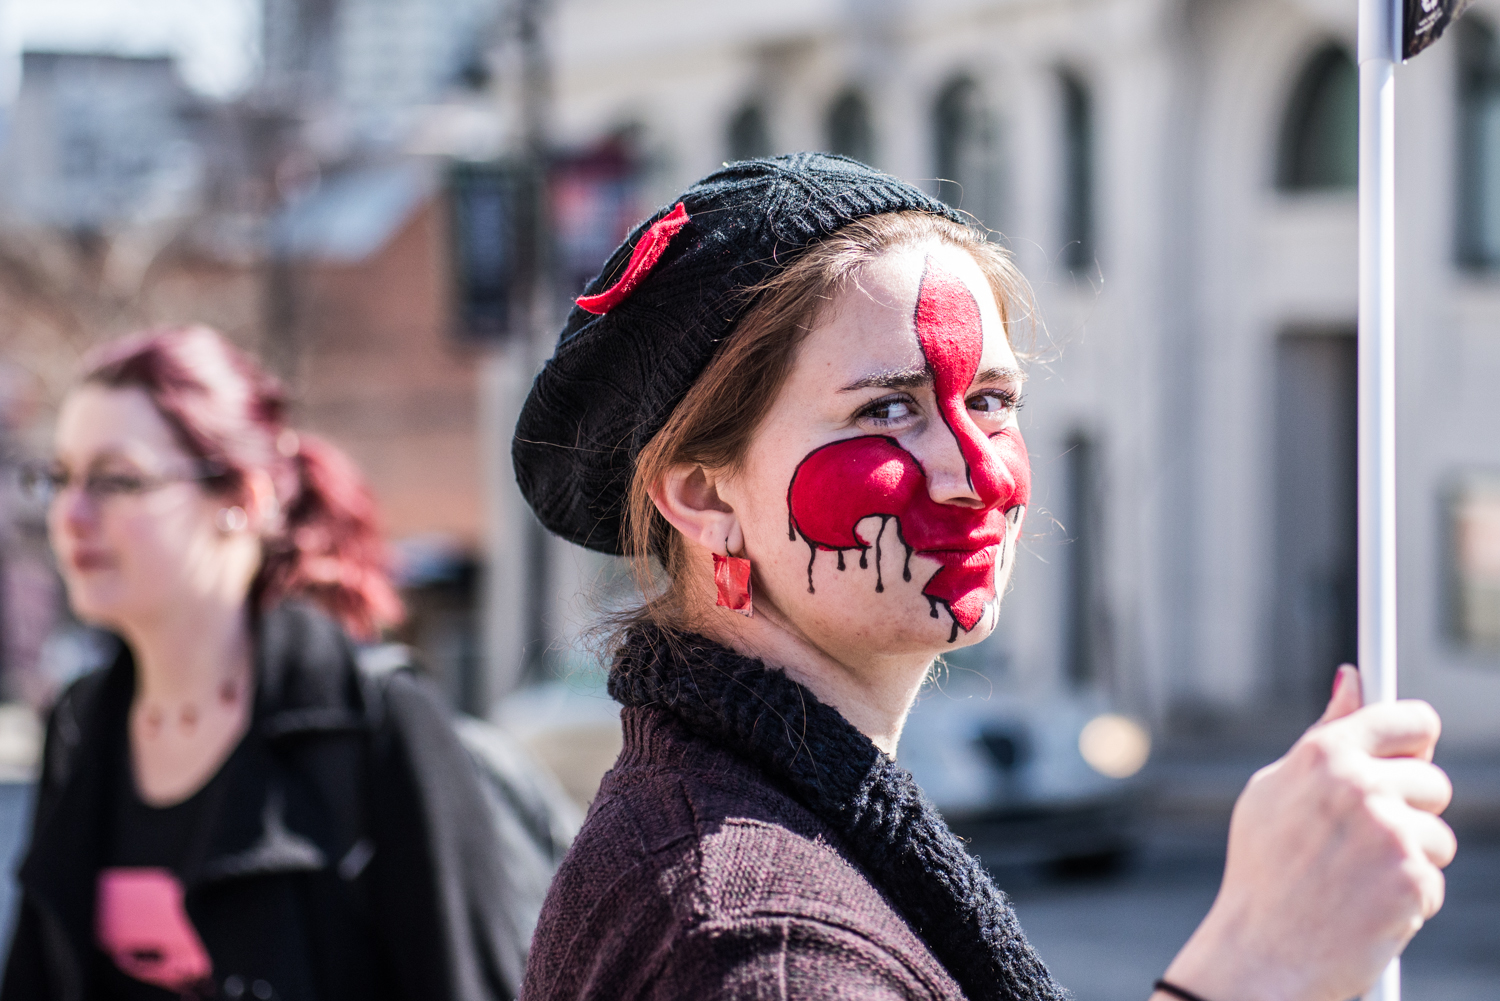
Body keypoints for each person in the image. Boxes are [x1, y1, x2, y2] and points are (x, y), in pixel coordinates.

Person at [512, 154, 1456, 1001]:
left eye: (993, 402)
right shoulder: (761, 947)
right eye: (888, 409)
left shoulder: (743, 834)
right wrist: (1259, 960)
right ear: (704, 495)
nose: (979, 475)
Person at [4, 327, 538, 1001]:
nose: (70, 514)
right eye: (59, 477)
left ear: (242, 499)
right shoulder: (81, 725)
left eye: (115, 479)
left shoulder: (378, 724)